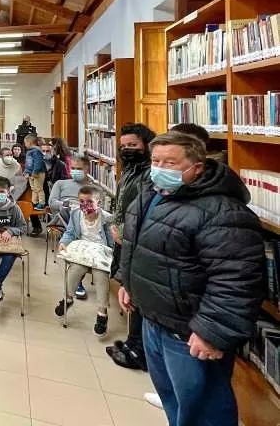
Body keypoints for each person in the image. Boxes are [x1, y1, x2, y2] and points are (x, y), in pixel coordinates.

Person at [117, 131, 264, 426]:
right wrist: (127, 281)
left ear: (197, 166)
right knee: (174, 402)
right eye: (156, 160)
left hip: (190, 332)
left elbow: (236, 278)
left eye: (171, 162)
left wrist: (211, 331)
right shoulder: (151, 193)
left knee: (204, 411)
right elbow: (137, 244)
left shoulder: (222, 211)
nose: (160, 168)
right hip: (153, 320)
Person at [106, 122, 157, 371]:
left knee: (137, 292)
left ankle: (138, 349)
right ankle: (132, 342)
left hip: (139, 239)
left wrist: (126, 232)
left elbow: (147, 208)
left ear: (146, 146)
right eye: (123, 145)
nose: (127, 150)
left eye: (133, 145)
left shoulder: (150, 172)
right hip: (124, 236)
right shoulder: (129, 169)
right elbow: (122, 201)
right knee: (131, 288)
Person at [54, 185, 114, 336]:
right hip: (82, 249)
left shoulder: (106, 218)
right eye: (81, 201)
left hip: (100, 251)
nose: (85, 205)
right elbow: (71, 232)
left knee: (101, 275)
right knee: (75, 270)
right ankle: (68, 298)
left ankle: (102, 313)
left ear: (98, 202)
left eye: (89, 202)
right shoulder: (76, 214)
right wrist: (63, 242)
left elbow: (112, 241)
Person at [48, 155, 88, 224]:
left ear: (86, 169)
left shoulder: (93, 189)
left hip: (83, 219)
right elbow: (52, 203)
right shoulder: (60, 183)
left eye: (79, 169)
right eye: (73, 168)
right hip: (63, 219)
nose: (75, 171)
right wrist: (66, 205)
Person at [23, 134, 46, 209]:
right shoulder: (30, 151)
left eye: (25, 143)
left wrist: (35, 172)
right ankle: (34, 202)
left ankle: (42, 203)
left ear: (29, 142)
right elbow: (28, 163)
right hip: (31, 173)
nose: (25, 145)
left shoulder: (36, 151)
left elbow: (38, 162)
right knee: (33, 188)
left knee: (39, 188)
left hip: (38, 173)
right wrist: (26, 172)